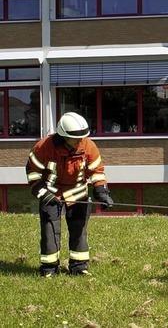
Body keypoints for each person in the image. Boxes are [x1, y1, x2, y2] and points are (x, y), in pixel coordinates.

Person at [25, 112, 114, 277]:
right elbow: (32, 174)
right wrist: (44, 194)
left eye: (82, 137)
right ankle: (49, 269)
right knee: (50, 230)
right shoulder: (43, 147)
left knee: (79, 230)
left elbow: (97, 171)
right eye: (76, 138)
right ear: (63, 136)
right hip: (51, 193)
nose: (80, 141)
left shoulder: (88, 146)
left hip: (77, 192)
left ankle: (79, 267)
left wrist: (101, 191)